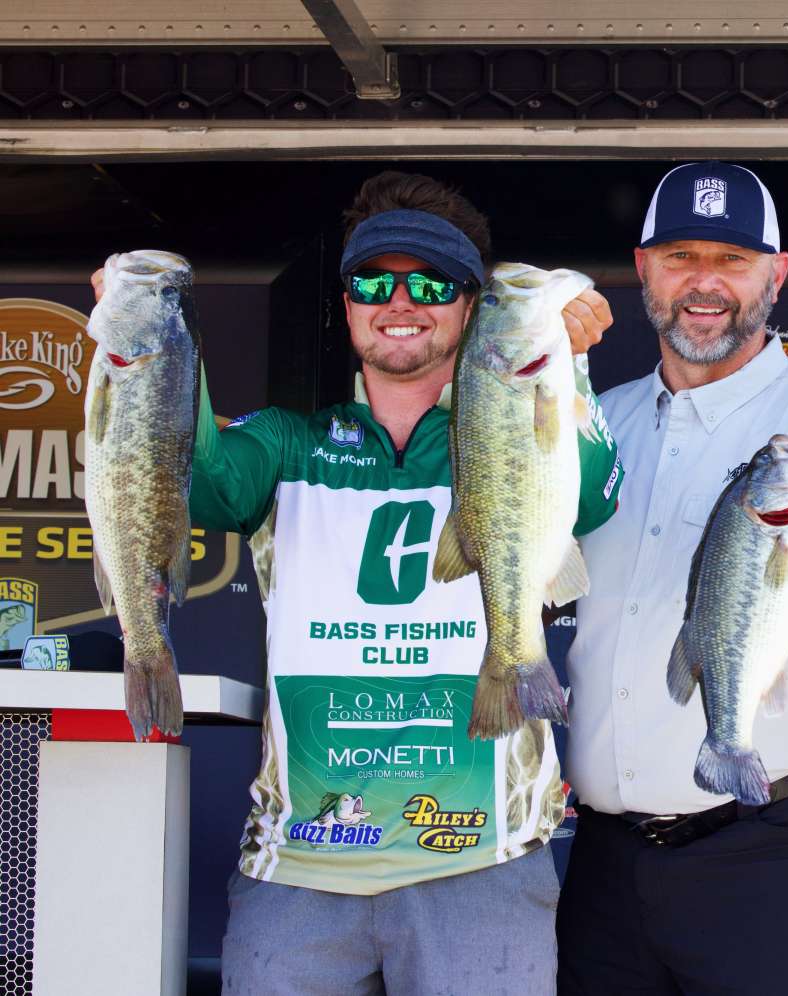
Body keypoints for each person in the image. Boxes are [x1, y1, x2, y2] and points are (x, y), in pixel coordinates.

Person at [93, 171, 621, 994]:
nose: (400, 301)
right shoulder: (287, 443)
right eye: (374, 281)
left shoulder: (518, 433)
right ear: (346, 305)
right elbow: (195, 478)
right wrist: (144, 331)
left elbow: (592, 493)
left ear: (472, 305)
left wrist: (569, 365)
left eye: (432, 284)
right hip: (300, 862)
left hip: (482, 858)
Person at [556, 161, 788, 996]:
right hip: (606, 868)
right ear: (643, 268)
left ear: (776, 275)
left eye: (733, 260)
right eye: (681, 257)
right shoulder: (596, 424)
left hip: (781, 857)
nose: (705, 284)